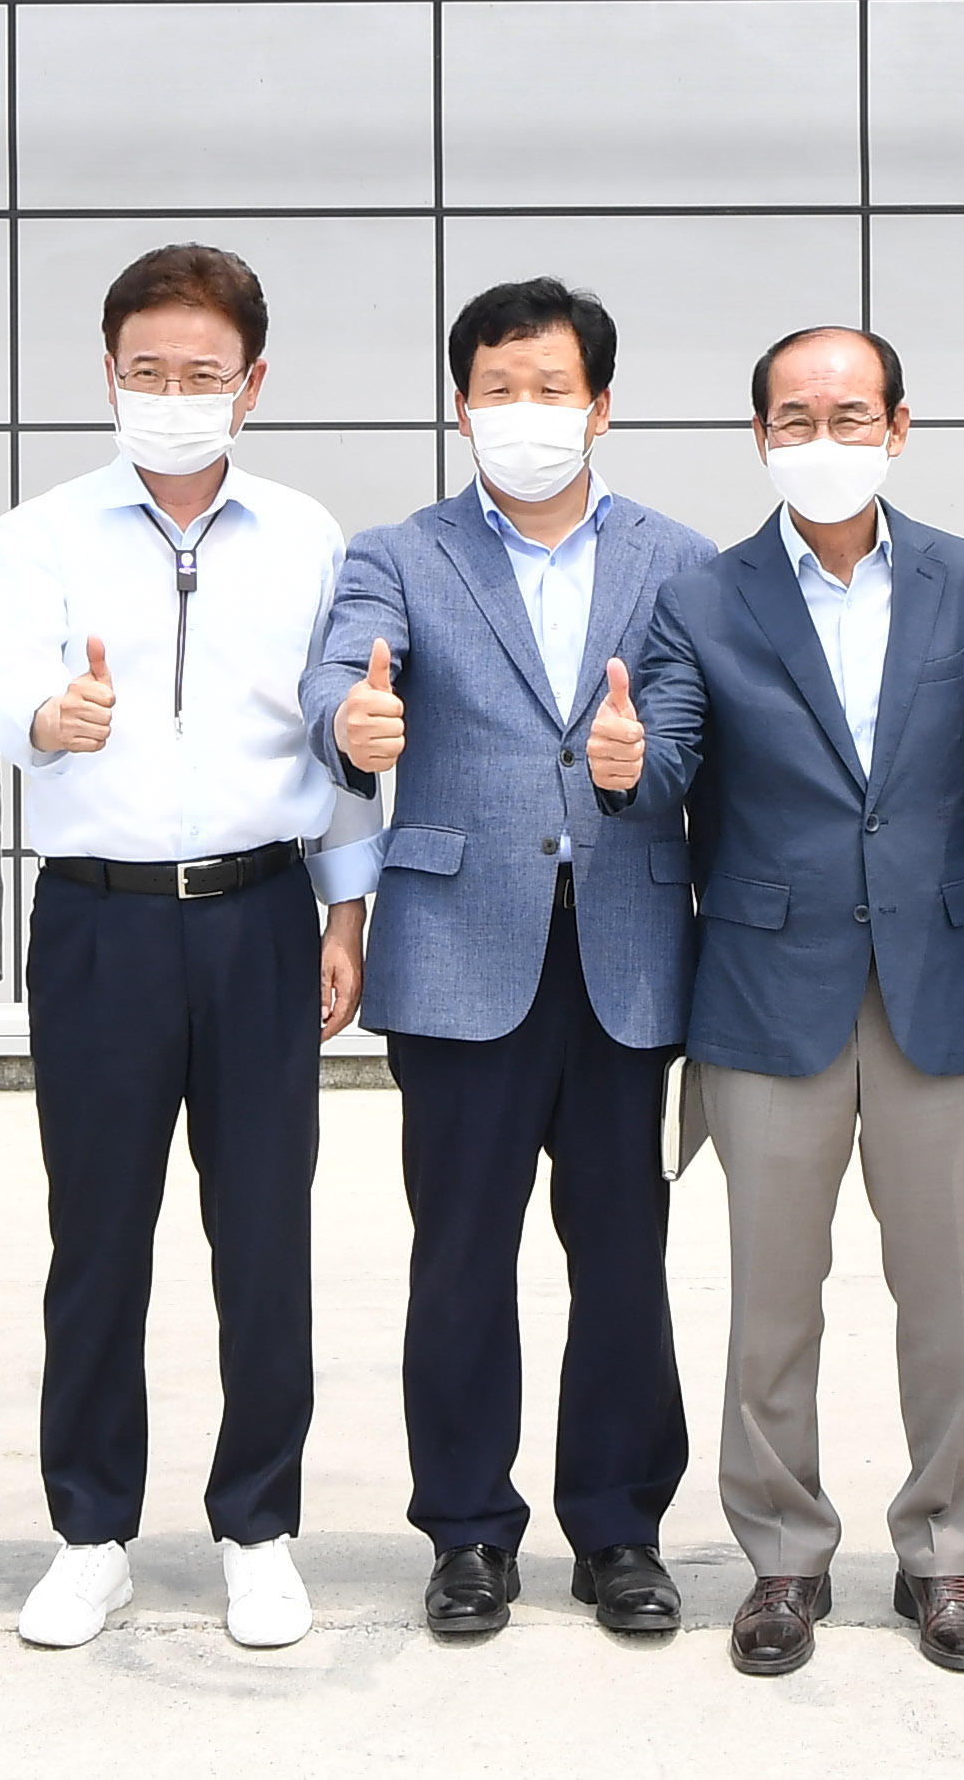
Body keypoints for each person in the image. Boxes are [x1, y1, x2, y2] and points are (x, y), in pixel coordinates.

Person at [594, 325, 964, 1676]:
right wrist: (625, 763)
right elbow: (669, 754)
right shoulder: (704, 595)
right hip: (764, 990)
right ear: (760, 438)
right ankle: (783, 1558)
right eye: (794, 418)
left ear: (897, 428)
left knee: (943, 1294)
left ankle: (943, 1554)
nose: (823, 439)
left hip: (939, 984)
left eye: (850, 416)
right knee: (772, 1300)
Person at [0, 247, 374, 1653]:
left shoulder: (307, 534)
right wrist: (49, 719)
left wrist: (344, 906)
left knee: (262, 1236)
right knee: (96, 1238)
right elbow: (4, 686)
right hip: (101, 919)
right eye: (147, 371)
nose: (173, 394)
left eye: (202, 374)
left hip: (262, 913)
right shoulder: (42, 530)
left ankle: (259, 1528)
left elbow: (338, 727)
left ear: (251, 384)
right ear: (108, 374)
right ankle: (91, 1534)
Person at [300, 278, 705, 1641]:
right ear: (461, 406)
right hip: (458, 949)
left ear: (601, 406)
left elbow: (694, 727)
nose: (524, 411)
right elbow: (340, 678)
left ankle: (620, 1529)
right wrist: (351, 722)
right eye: (497, 389)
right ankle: (468, 1531)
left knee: (624, 1258)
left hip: (626, 952)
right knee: (461, 1257)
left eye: (551, 389)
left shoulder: (679, 559)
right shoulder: (400, 552)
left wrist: (643, 760)